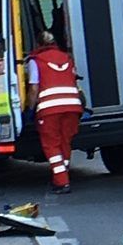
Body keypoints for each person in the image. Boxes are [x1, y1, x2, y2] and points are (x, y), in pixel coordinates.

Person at [26, 30, 83, 194]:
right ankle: (62, 173)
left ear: (38, 44)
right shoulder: (67, 58)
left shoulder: (35, 61)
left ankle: (61, 181)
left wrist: (30, 109)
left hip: (50, 109)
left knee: (52, 145)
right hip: (73, 106)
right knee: (65, 142)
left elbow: (34, 87)